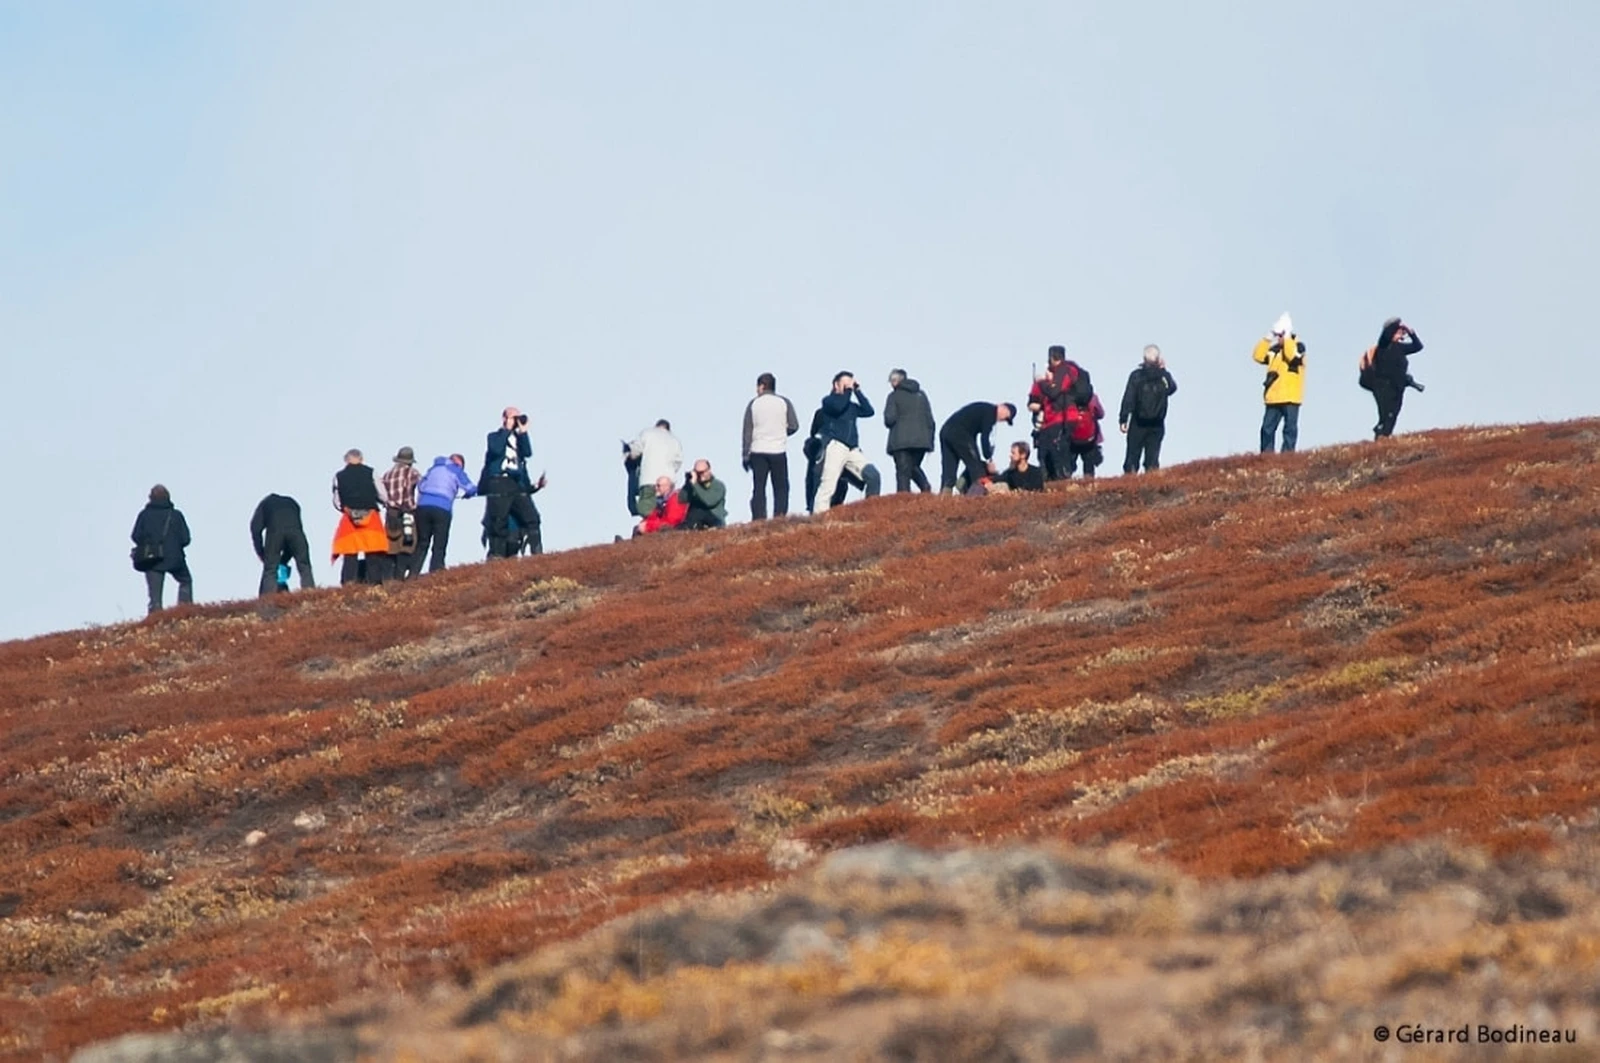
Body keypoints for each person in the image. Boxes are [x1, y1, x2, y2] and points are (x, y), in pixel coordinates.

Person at [479, 407, 544, 559]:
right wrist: (506, 430)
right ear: (504, 418)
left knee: (532, 517)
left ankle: (538, 553)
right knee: (499, 519)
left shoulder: (518, 437)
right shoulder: (494, 436)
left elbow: (527, 452)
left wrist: (523, 432)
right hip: (498, 480)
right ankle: (497, 555)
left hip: (515, 483)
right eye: (513, 417)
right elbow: (495, 450)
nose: (516, 420)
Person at [810, 372, 876, 515]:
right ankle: (819, 516)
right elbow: (838, 407)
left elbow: (869, 411)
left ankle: (871, 512)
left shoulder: (851, 406)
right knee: (828, 484)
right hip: (836, 446)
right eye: (845, 384)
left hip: (852, 449)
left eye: (850, 384)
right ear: (836, 385)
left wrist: (858, 391)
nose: (848, 388)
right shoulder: (828, 401)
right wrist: (847, 391)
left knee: (873, 475)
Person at [742, 373, 800, 520]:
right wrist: (782, 432)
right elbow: (794, 425)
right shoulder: (784, 402)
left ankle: (759, 518)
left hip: (758, 450)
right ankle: (779, 516)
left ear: (761, 386)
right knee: (781, 487)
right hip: (778, 450)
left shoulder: (753, 404)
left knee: (759, 487)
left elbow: (747, 431)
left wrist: (745, 454)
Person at [130, 484, 193, 615]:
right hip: (175, 559)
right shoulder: (176, 515)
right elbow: (185, 539)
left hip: (152, 559)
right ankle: (184, 610)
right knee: (185, 581)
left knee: (155, 597)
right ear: (168, 498)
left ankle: (155, 619)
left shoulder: (144, 515)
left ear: (150, 498)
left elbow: (135, 536)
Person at [1030, 346, 1091, 480]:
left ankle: (1061, 479)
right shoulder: (1068, 371)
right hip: (1059, 418)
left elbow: (1054, 392)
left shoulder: (1064, 370)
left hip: (1062, 417)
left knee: (1057, 450)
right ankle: (1057, 478)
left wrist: (1041, 383)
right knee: (1051, 451)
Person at [331, 449, 390, 585]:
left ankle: (348, 582)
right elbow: (383, 495)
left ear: (346, 460)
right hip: (371, 515)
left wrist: (345, 509)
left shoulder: (338, 476)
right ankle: (374, 582)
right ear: (362, 459)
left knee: (349, 551)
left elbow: (337, 501)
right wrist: (381, 502)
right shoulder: (371, 472)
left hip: (349, 517)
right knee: (373, 550)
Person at [1118, 345, 1178, 474]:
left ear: (1144, 359)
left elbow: (1128, 398)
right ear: (1158, 359)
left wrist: (1123, 419)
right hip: (1157, 424)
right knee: (1152, 459)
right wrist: (1164, 370)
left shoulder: (1136, 376)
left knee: (1132, 456)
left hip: (1138, 422)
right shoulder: (1163, 377)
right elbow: (1172, 388)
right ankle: (1151, 484)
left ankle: (1129, 484)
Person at [1362, 317, 1425, 440]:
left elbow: (1418, 346)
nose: (1401, 335)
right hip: (1383, 386)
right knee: (1386, 414)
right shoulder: (1383, 346)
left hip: (1397, 387)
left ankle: (1384, 437)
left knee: (1393, 414)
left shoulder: (1400, 348)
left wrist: (1411, 332)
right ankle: (1381, 437)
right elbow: (1386, 335)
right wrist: (1396, 324)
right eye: (1399, 332)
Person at [413, 454, 477, 574]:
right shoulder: (456, 469)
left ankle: (413, 573)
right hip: (442, 508)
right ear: (459, 464)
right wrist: (469, 494)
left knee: (422, 543)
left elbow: (421, 485)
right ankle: (435, 572)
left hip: (423, 507)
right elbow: (470, 488)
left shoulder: (433, 469)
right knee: (439, 543)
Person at [1253, 313, 1307, 453]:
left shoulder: (1298, 347)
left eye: (1281, 334)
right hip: (1273, 397)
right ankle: (1267, 455)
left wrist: (1287, 337)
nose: (1279, 338)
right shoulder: (1273, 350)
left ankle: (1287, 456)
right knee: (1267, 429)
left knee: (1289, 429)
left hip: (1290, 397)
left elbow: (1292, 357)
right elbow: (1258, 356)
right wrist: (1268, 337)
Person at [938, 401, 1016, 495]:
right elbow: (984, 438)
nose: (1003, 420)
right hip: (960, 434)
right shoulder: (991, 412)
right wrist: (988, 459)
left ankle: (944, 496)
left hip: (946, 431)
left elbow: (972, 437)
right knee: (976, 468)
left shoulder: (982, 409)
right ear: (1002, 407)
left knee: (949, 468)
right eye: (1006, 417)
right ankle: (976, 497)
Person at [250, 493, 314, 596]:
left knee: (270, 570)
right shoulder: (292, 502)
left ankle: (268, 602)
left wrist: (262, 554)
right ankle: (311, 596)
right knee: (304, 566)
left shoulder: (265, 504)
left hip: (275, 533)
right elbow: (291, 537)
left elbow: (255, 528)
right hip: (297, 534)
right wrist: (283, 560)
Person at [883, 369, 935, 493]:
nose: (891, 384)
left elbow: (889, 419)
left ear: (896, 381)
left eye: (892, 381)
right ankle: (925, 487)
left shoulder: (893, 396)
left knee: (903, 472)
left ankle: (903, 500)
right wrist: (930, 441)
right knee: (913, 467)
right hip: (922, 441)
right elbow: (930, 420)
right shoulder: (921, 395)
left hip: (901, 442)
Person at [379, 446, 422, 581]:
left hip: (390, 513)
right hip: (407, 513)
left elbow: (380, 494)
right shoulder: (412, 473)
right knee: (407, 545)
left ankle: (388, 579)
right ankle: (400, 577)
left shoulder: (386, 475)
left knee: (391, 546)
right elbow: (423, 485)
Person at [625, 420, 683, 518]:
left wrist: (629, 457)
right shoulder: (675, 440)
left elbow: (635, 451)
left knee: (647, 511)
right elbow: (678, 462)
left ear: (656, 426)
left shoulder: (647, 433)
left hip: (648, 480)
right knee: (666, 511)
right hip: (668, 482)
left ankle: (649, 529)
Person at [679, 460, 728, 529]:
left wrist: (695, 484)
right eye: (697, 473)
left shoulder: (718, 485)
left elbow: (709, 501)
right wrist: (688, 483)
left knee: (698, 511)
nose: (700, 475)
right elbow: (682, 499)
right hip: (695, 520)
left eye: (702, 472)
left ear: (709, 470)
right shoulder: (694, 485)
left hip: (714, 519)